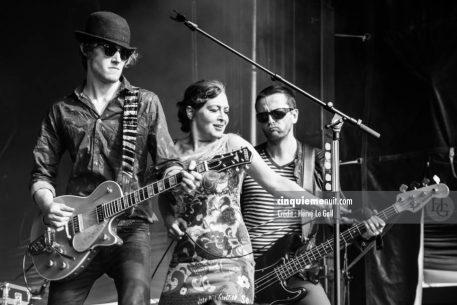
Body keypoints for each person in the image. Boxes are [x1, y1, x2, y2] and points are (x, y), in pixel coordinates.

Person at [30, 11, 200, 305]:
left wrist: (176, 176)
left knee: (136, 295)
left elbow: (167, 163)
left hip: (130, 225)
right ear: (86, 49)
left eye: (124, 53)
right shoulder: (62, 111)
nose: (118, 58)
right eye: (109, 49)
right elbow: (42, 173)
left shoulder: (145, 102)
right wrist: (47, 206)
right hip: (75, 228)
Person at [158, 80, 334, 305]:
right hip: (186, 260)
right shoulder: (171, 152)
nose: (223, 117)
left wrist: (324, 206)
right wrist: (168, 218)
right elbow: (164, 196)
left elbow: (275, 182)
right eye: (214, 109)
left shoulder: (232, 144)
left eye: (226, 111)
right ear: (191, 111)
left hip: (231, 262)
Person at [240, 84, 385, 305]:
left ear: (294, 115)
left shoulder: (316, 161)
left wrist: (366, 231)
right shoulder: (247, 162)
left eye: (278, 114)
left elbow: (339, 215)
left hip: (296, 270)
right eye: (263, 116)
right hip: (248, 271)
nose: (270, 121)